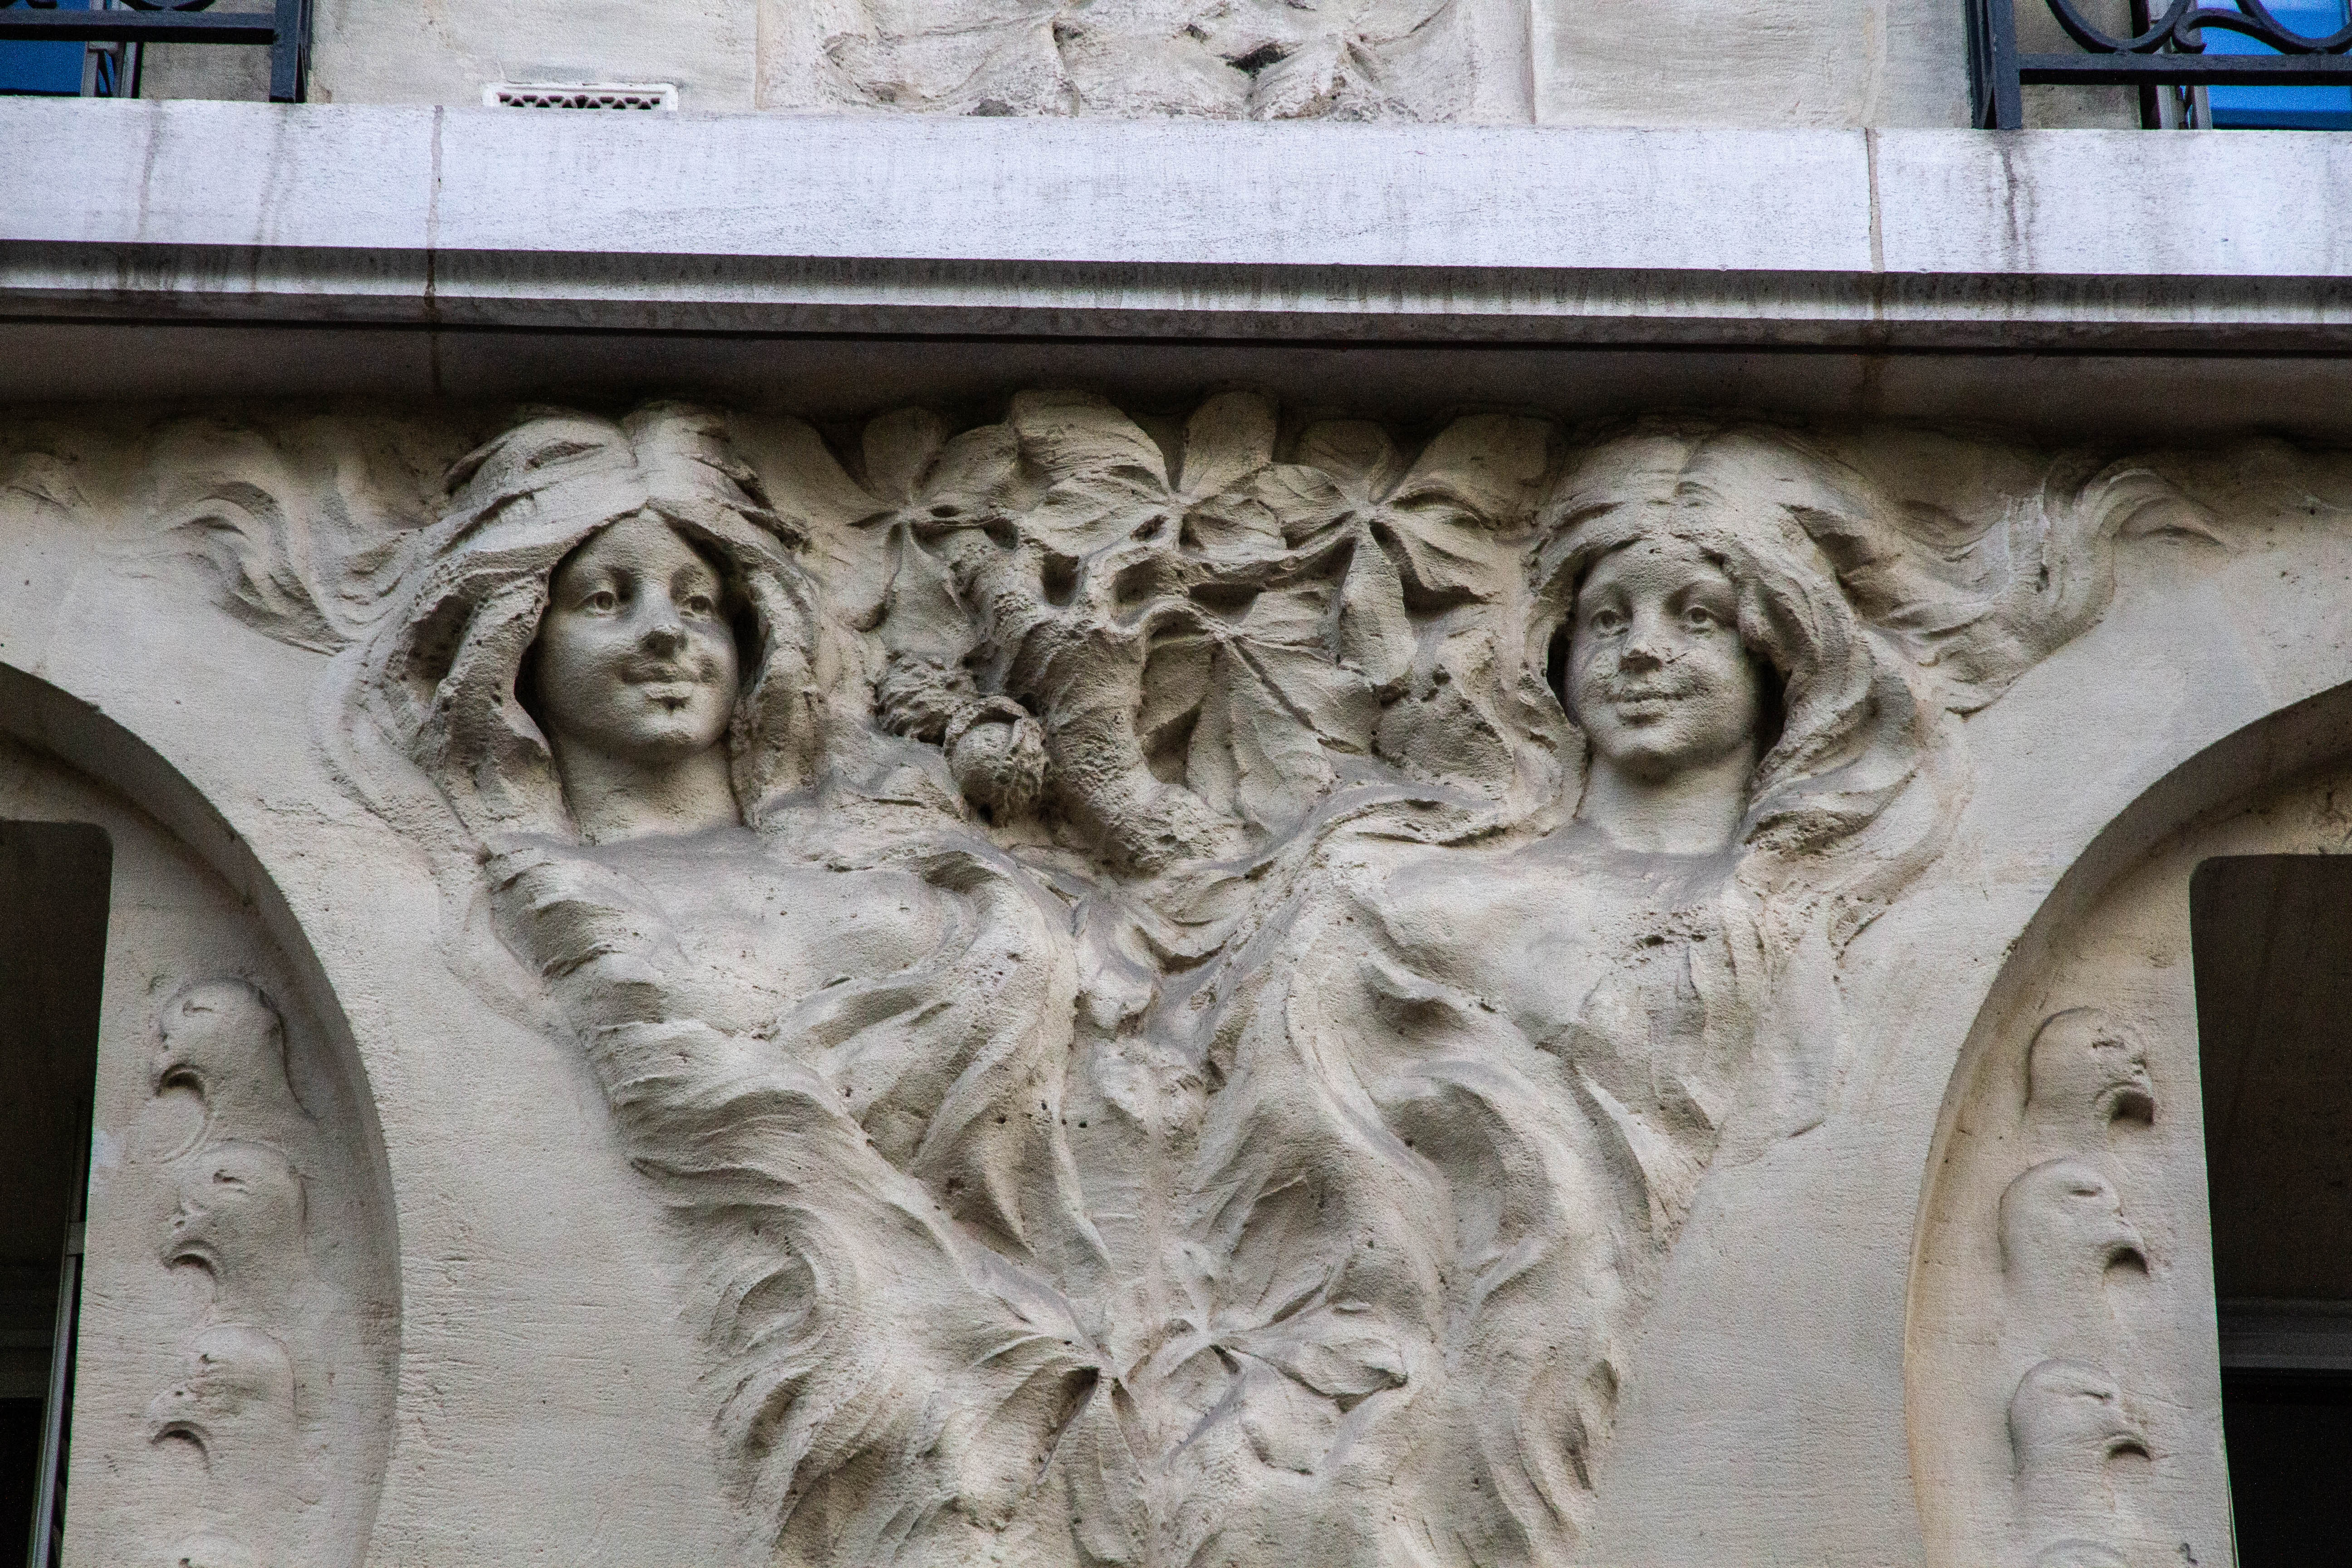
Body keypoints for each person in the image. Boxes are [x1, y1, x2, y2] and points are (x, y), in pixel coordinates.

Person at [1166, 425, 1950, 1567]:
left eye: (1697, 617)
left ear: (1781, 660)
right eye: (1608, 619)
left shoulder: (1786, 926)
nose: (1642, 651)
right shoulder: (1412, 894)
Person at [352, 403, 1104, 1566]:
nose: (665, 633)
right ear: (516, 645)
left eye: (698, 603)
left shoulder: (906, 878)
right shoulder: (532, 910)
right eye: (606, 600)